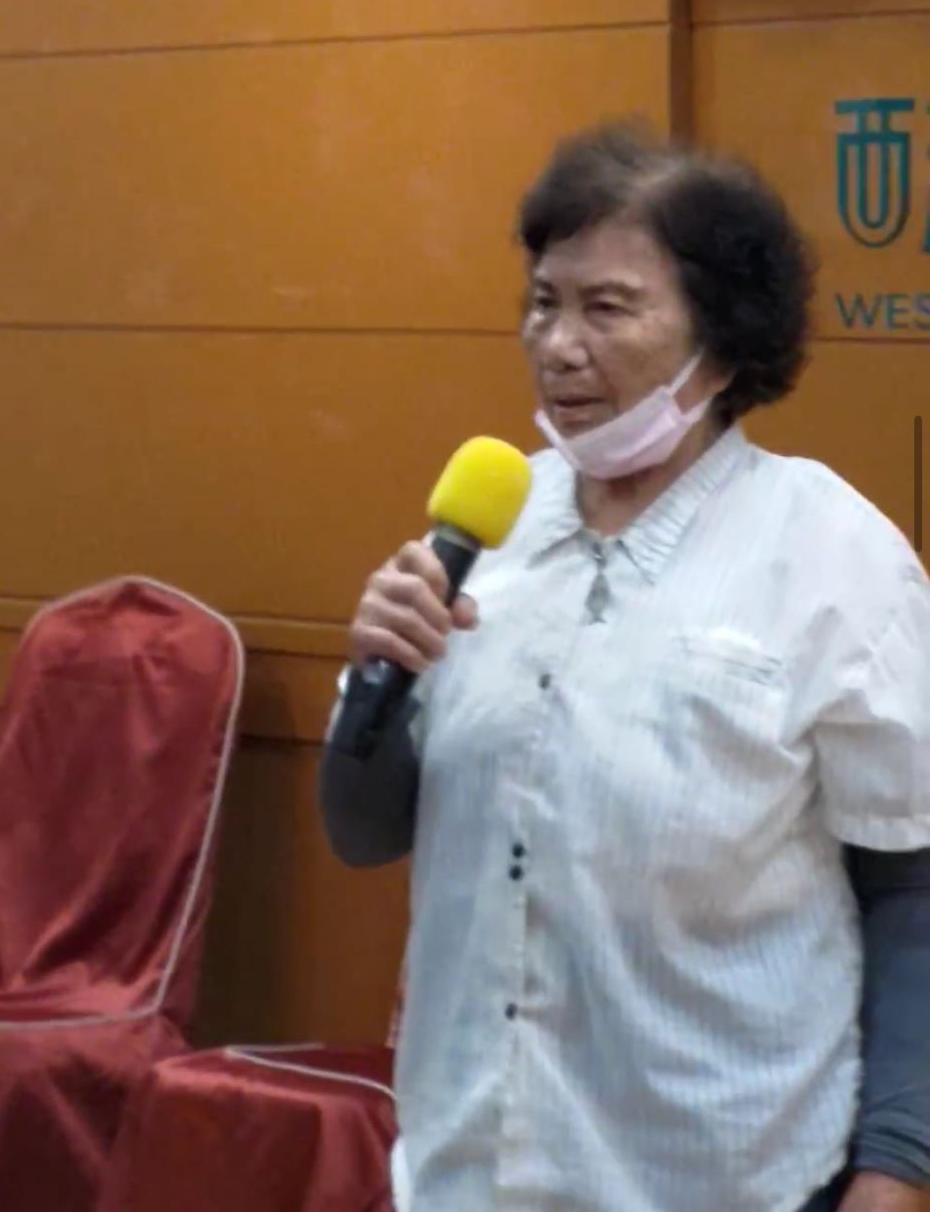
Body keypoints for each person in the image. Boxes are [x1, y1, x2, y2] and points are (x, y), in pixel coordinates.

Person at [320, 124, 930, 1212]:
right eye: (542, 303)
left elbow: (913, 889)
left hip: (725, 1176)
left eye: (607, 308)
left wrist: (900, 1162)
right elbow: (362, 832)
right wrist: (380, 675)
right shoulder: (486, 533)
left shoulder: (831, 555)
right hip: (465, 1171)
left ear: (723, 339)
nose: (558, 345)